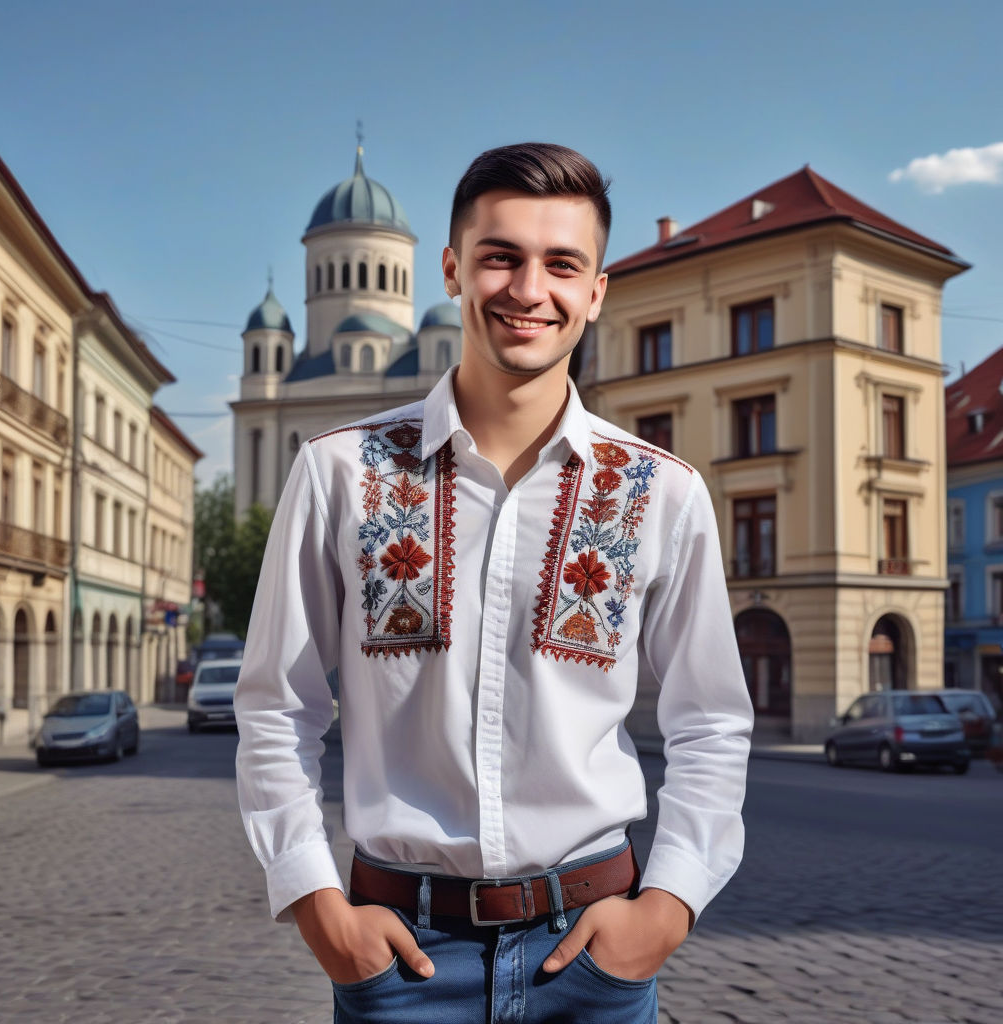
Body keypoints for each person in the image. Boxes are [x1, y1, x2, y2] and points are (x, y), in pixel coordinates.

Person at [234, 142, 754, 1022]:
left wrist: (666, 908)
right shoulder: (339, 470)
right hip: (399, 961)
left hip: (591, 955)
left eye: (562, 263)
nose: (527, 289)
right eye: (500, 257)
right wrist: (317, 906)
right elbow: (277, 706)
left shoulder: (661, 489)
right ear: (451, 270)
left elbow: (710, 720)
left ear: (595, 290)